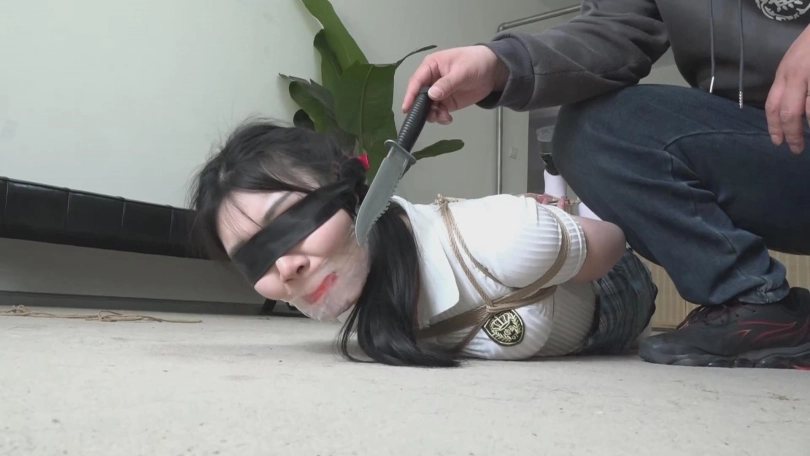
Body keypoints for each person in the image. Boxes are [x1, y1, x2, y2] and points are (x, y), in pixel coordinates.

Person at [401, 0, 810, 369]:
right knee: (592, 130)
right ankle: (760, 307)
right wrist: (500, 63)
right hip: (772, 149)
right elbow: (613, 28)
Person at [189, 120, 657, 367]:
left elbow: (616, 242)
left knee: (560, 230)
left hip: (613, 292)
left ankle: (560, 200)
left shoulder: (507, 239)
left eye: (291, 221)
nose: (285, 267)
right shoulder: (344, 280)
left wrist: (554, 227)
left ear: (349, 190)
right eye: (255, 258)